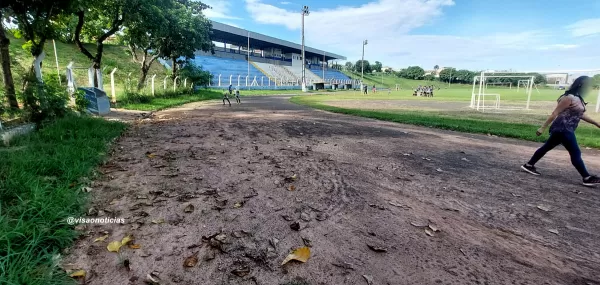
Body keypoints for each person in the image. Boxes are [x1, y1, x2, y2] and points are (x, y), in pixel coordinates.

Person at [521, 76, 600, 186]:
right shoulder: (568, 98)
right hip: (563, 129)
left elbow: (580, 114)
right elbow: (555, 113)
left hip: (565, 129)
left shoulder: (577, 98)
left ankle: (529, 165)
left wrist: (596, 123)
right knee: (575, 152)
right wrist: (542, 127)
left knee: (546, 147)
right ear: (581, 85)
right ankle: (586, 177)